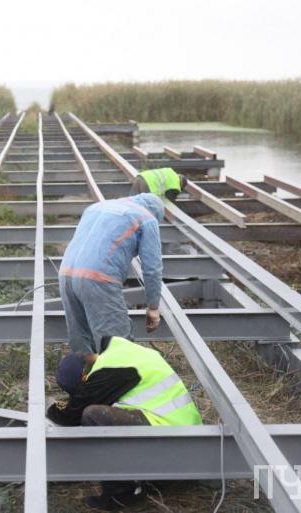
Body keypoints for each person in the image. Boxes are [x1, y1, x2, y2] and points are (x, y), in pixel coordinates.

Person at [48, 335, 203, 510]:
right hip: (189, 438)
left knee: (93, 416)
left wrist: (51, 408)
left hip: (177, 445)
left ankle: (124, 496)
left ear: (84, 377)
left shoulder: (107, 372)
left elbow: (72, 415)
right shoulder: (119, 350)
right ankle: (159, 480)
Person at [58, 193, 165, 353]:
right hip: (98, 278)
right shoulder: (148, 219)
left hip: (65, 274)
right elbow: (152, 268)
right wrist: (153, 307)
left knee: (83, 346)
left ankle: (86, 366)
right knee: (118, 348)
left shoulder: (96, 207)